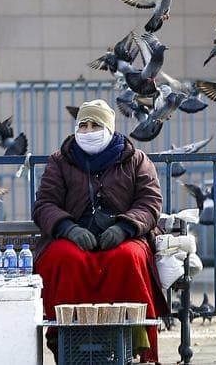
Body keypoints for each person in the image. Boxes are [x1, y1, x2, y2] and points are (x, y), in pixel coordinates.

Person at [33, 99, 168, 364]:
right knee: (64, 258)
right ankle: (67, 342)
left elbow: (150, 203)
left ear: (109, 127)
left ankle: (138, 345)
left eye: (95, 124)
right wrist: (67, 227)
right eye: (83, 125)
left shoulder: (136, 160)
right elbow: (44, 204)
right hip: (72, 237)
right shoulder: (59, 161)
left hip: (124, 236)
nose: (88, 130)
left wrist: (125, 227)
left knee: (126, 258)